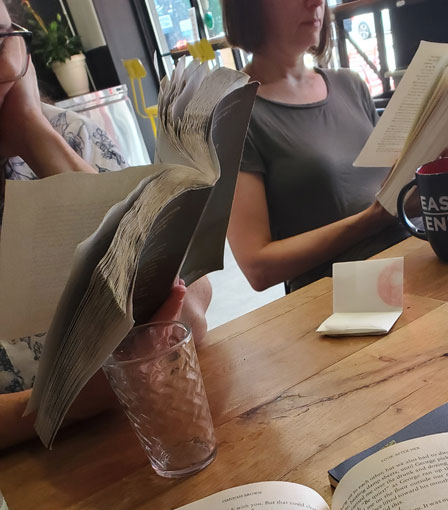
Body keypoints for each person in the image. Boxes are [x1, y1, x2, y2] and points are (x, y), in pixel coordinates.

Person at [0, 0, 210, 448]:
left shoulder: (72, 137)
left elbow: (189, 308)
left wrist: (36, 136)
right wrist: (70, 399)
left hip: (146, 432)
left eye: (1, 37)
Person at [222, 0, 406, 293]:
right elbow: (257, 266)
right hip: (339, 305)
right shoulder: (235, 115)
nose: (317, 2)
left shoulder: (351, 84)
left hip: (410, 268)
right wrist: (370, 221)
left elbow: (390, 195)